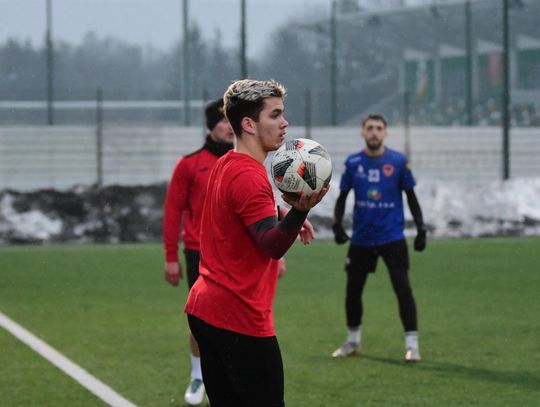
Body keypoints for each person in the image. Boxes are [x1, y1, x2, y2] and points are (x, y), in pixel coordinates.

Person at [184, 79, 327, 407]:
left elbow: (237, 210)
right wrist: (299, 210)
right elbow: (271, 245)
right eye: (274, 115)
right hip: (238, 318)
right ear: (248, 124)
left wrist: (281, 213)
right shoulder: (249, 175)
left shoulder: (227, 163)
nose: (284, 123)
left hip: (205, 310)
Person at [331, 113, 427, 362]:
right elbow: (342, 197)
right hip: (362, 239)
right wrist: (337, 225)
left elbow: (411, 197)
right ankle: (353, 341)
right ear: (362, 132)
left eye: (378, 128)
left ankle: (412, 345)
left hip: (392, 238)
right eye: (369, 128)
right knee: (353, 291)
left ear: (385, 132)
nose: (374, 132)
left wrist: (421, 228)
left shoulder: (398, 161)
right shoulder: (353, 163)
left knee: (403, 289)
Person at [162, 98, 235, 405]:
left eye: (232, 120)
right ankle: (197, 375)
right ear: (211, 125)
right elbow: (173, 211)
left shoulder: (245, 163)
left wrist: (274, 256)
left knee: (236, 317)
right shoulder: (189, 163)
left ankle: (229, 372)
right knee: (200, 318)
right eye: (223, 121)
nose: (229, 126)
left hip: (236, 254)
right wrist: (170, 257)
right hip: (199, 253)